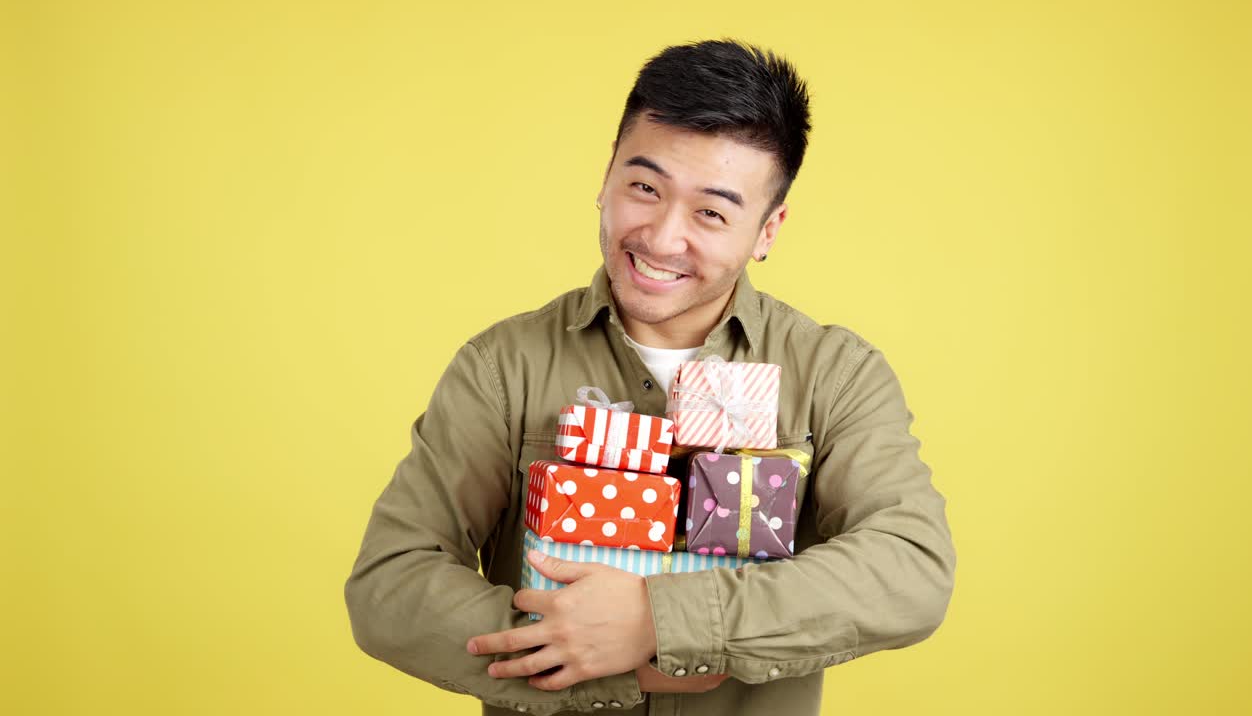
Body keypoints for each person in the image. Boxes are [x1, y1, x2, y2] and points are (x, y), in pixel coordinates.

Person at [344, 39, 956, 716]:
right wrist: (578, 653)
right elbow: (390, 585)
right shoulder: (503, 367)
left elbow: (912, 568)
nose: (663, 239)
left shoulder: (836, 375)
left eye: (711, 213)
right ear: (605, 177)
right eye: (645, 188)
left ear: (767, 230)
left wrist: (662, 620)